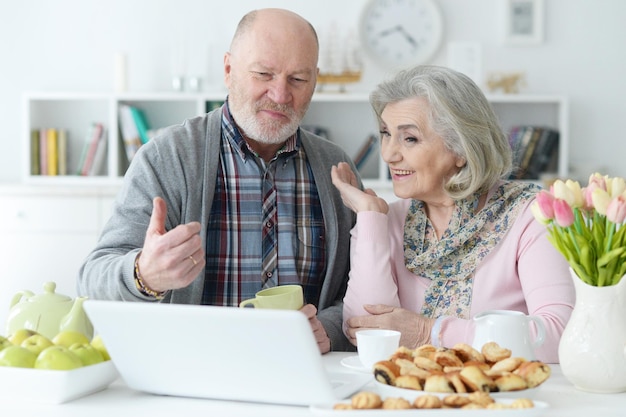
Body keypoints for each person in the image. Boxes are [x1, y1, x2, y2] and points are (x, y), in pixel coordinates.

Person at [77, 8, 361, 353]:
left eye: (298, 80)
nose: (281, 94)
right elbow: (93, 278)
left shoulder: (336, 166)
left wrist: (328, 329)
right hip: (191, 371)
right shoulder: (168, 156)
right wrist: (145, 275)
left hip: (304, 373)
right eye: (263, 74)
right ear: (229, 70)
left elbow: (360, 288)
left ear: (315, 81)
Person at [331, 65, 574, 363]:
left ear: (461, 149)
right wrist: (369, 218)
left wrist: (431, 333)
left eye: (409, 139)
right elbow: (365, 334)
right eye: (385, 134)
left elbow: (560, 334)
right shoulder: (385, 219)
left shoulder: (529, 215)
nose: (389, 154)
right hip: (409, 399)